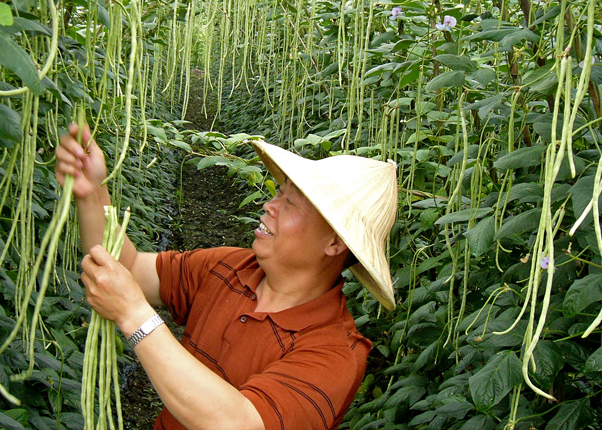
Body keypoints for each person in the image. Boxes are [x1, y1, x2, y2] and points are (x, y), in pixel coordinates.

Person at [55, 123, 398, 430]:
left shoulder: (336, 353)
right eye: (280, 192)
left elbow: (239, 423)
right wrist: (92, 193)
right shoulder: (231, 266)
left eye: (291, 204)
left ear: (335, 242)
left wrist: (134, 315)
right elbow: (128, 269)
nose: (269, 205)